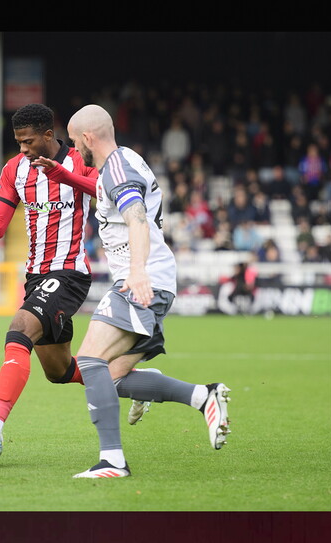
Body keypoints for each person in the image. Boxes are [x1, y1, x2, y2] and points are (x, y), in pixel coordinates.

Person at [38, 104, 231, 479]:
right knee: (111, 378)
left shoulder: (119, 169)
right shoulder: (122, 163)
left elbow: (136, 219)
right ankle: (203, 396)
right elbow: (105, 191)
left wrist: (138, 272)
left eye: (77, 144)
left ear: (89, 138)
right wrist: (64, 174)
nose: (76, 151)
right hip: (153, 281)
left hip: (141, 280)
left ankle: (112, 461)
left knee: (90, 361)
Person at [0, 104, 113, 458]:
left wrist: (64, 177)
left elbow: (106, 189)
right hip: (36, 277)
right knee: (60, 371)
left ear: (49, 135)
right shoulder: (14, 169)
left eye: (28, 141)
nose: (22, 148)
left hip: (69, 273)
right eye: (18, 142)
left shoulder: (78, 160)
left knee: (19, 329)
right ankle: (129, 377)